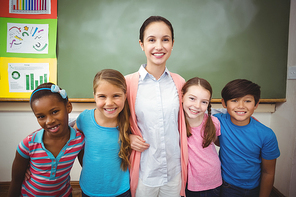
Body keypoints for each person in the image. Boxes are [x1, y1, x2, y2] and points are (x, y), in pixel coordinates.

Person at [125, 16, 188, 197]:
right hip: (145, 170)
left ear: (172, 43)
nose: (159, 46)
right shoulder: (128, 83)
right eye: (151, 40)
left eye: (165, 40)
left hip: (174, 171)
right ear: (142, 44)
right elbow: (113, 120)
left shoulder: (180, 82)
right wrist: (128, 137)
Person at [7, 82, 85, 197]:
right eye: (41, 116)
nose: (49, 121)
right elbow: (16, 182)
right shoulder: (28, 144)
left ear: (68, 107)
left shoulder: (79, 141)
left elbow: (88, 167)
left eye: (54, 112)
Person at [214, 79, 280, 197]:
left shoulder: (267, 135)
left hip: (254, 188)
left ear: (256, 104)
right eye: (234, 100)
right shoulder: (218, 121)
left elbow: (268, 172)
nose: (241, 106)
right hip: (225, 185)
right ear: (224, 103)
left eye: (247, 101)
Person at [74, 69, 131, 197]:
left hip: (121, 190)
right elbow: (68, 138)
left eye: (116, 95)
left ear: (125, 95)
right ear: (94, 96)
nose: (109, 103)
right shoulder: (85, 119)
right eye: (102, 96)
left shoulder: (130, 121)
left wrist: (130, 137)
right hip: (90, 188)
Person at [182, 77, 222, 197]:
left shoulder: (213, 122)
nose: (197, 106)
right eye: (192, 98)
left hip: (211, 181)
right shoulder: (176, 122)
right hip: (184, 181)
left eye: (204, 102)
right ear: (182, 96)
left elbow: (219, 142)